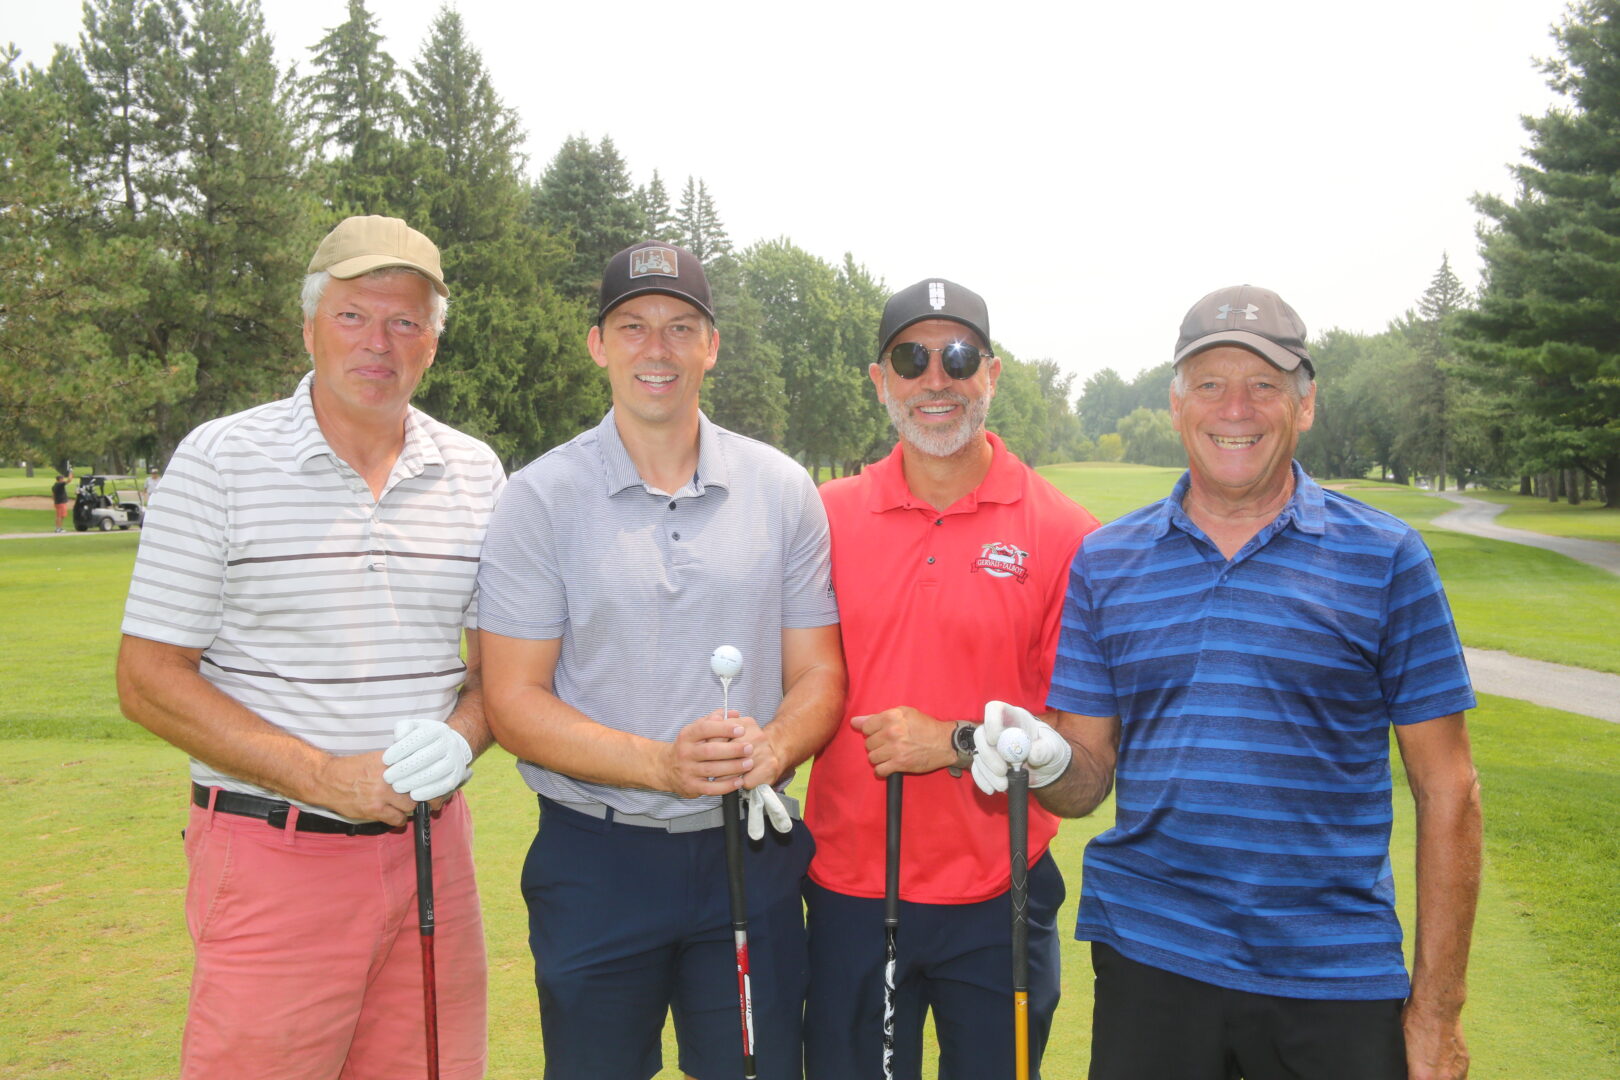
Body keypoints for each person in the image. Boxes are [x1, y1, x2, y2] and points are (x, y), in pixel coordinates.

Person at [995, 284, 1481, 1080]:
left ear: (1306, 404)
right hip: (1153, 960)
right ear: (1179, 403)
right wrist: (1041, 757)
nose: (1237, 408)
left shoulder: (1386, 558)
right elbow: (1084, 781)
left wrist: (1437, 1012)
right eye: (1211, 384)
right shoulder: (1108, 561)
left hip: (1333, 974)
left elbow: (1449, 789)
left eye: (1264, 384)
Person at [116, 215, 505, 1080]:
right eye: (353, 315)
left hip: (433, 857)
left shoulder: (476, 471)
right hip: (273, 855)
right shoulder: (220, 460)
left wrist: (464, 734)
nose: (380, 343)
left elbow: (494, 675)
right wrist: (323, 776)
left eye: (406, 322)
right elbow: (146, 680)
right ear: (308, 328)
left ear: (433, 345)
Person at [477, 240, 846, 1080]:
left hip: (749, 854)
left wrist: (775, 748)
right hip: (595, 860)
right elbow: (514, 700)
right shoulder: (538, 499)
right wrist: (659, 765)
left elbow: (819, 672)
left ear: (711, 346)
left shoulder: (782, 488)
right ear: (598, 344)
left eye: (682, 326)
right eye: (633, 325)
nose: (658, 348)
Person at [802, 278, 1100, 1079]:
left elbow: (1079, 750)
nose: (936, 379)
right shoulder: (821, 516)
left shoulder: (1066, 532)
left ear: (992, 375)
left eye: (958, 357)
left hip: (1000, 893)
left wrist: (958, 741)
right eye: (912, 357)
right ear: (880, 380)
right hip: (850, 892)